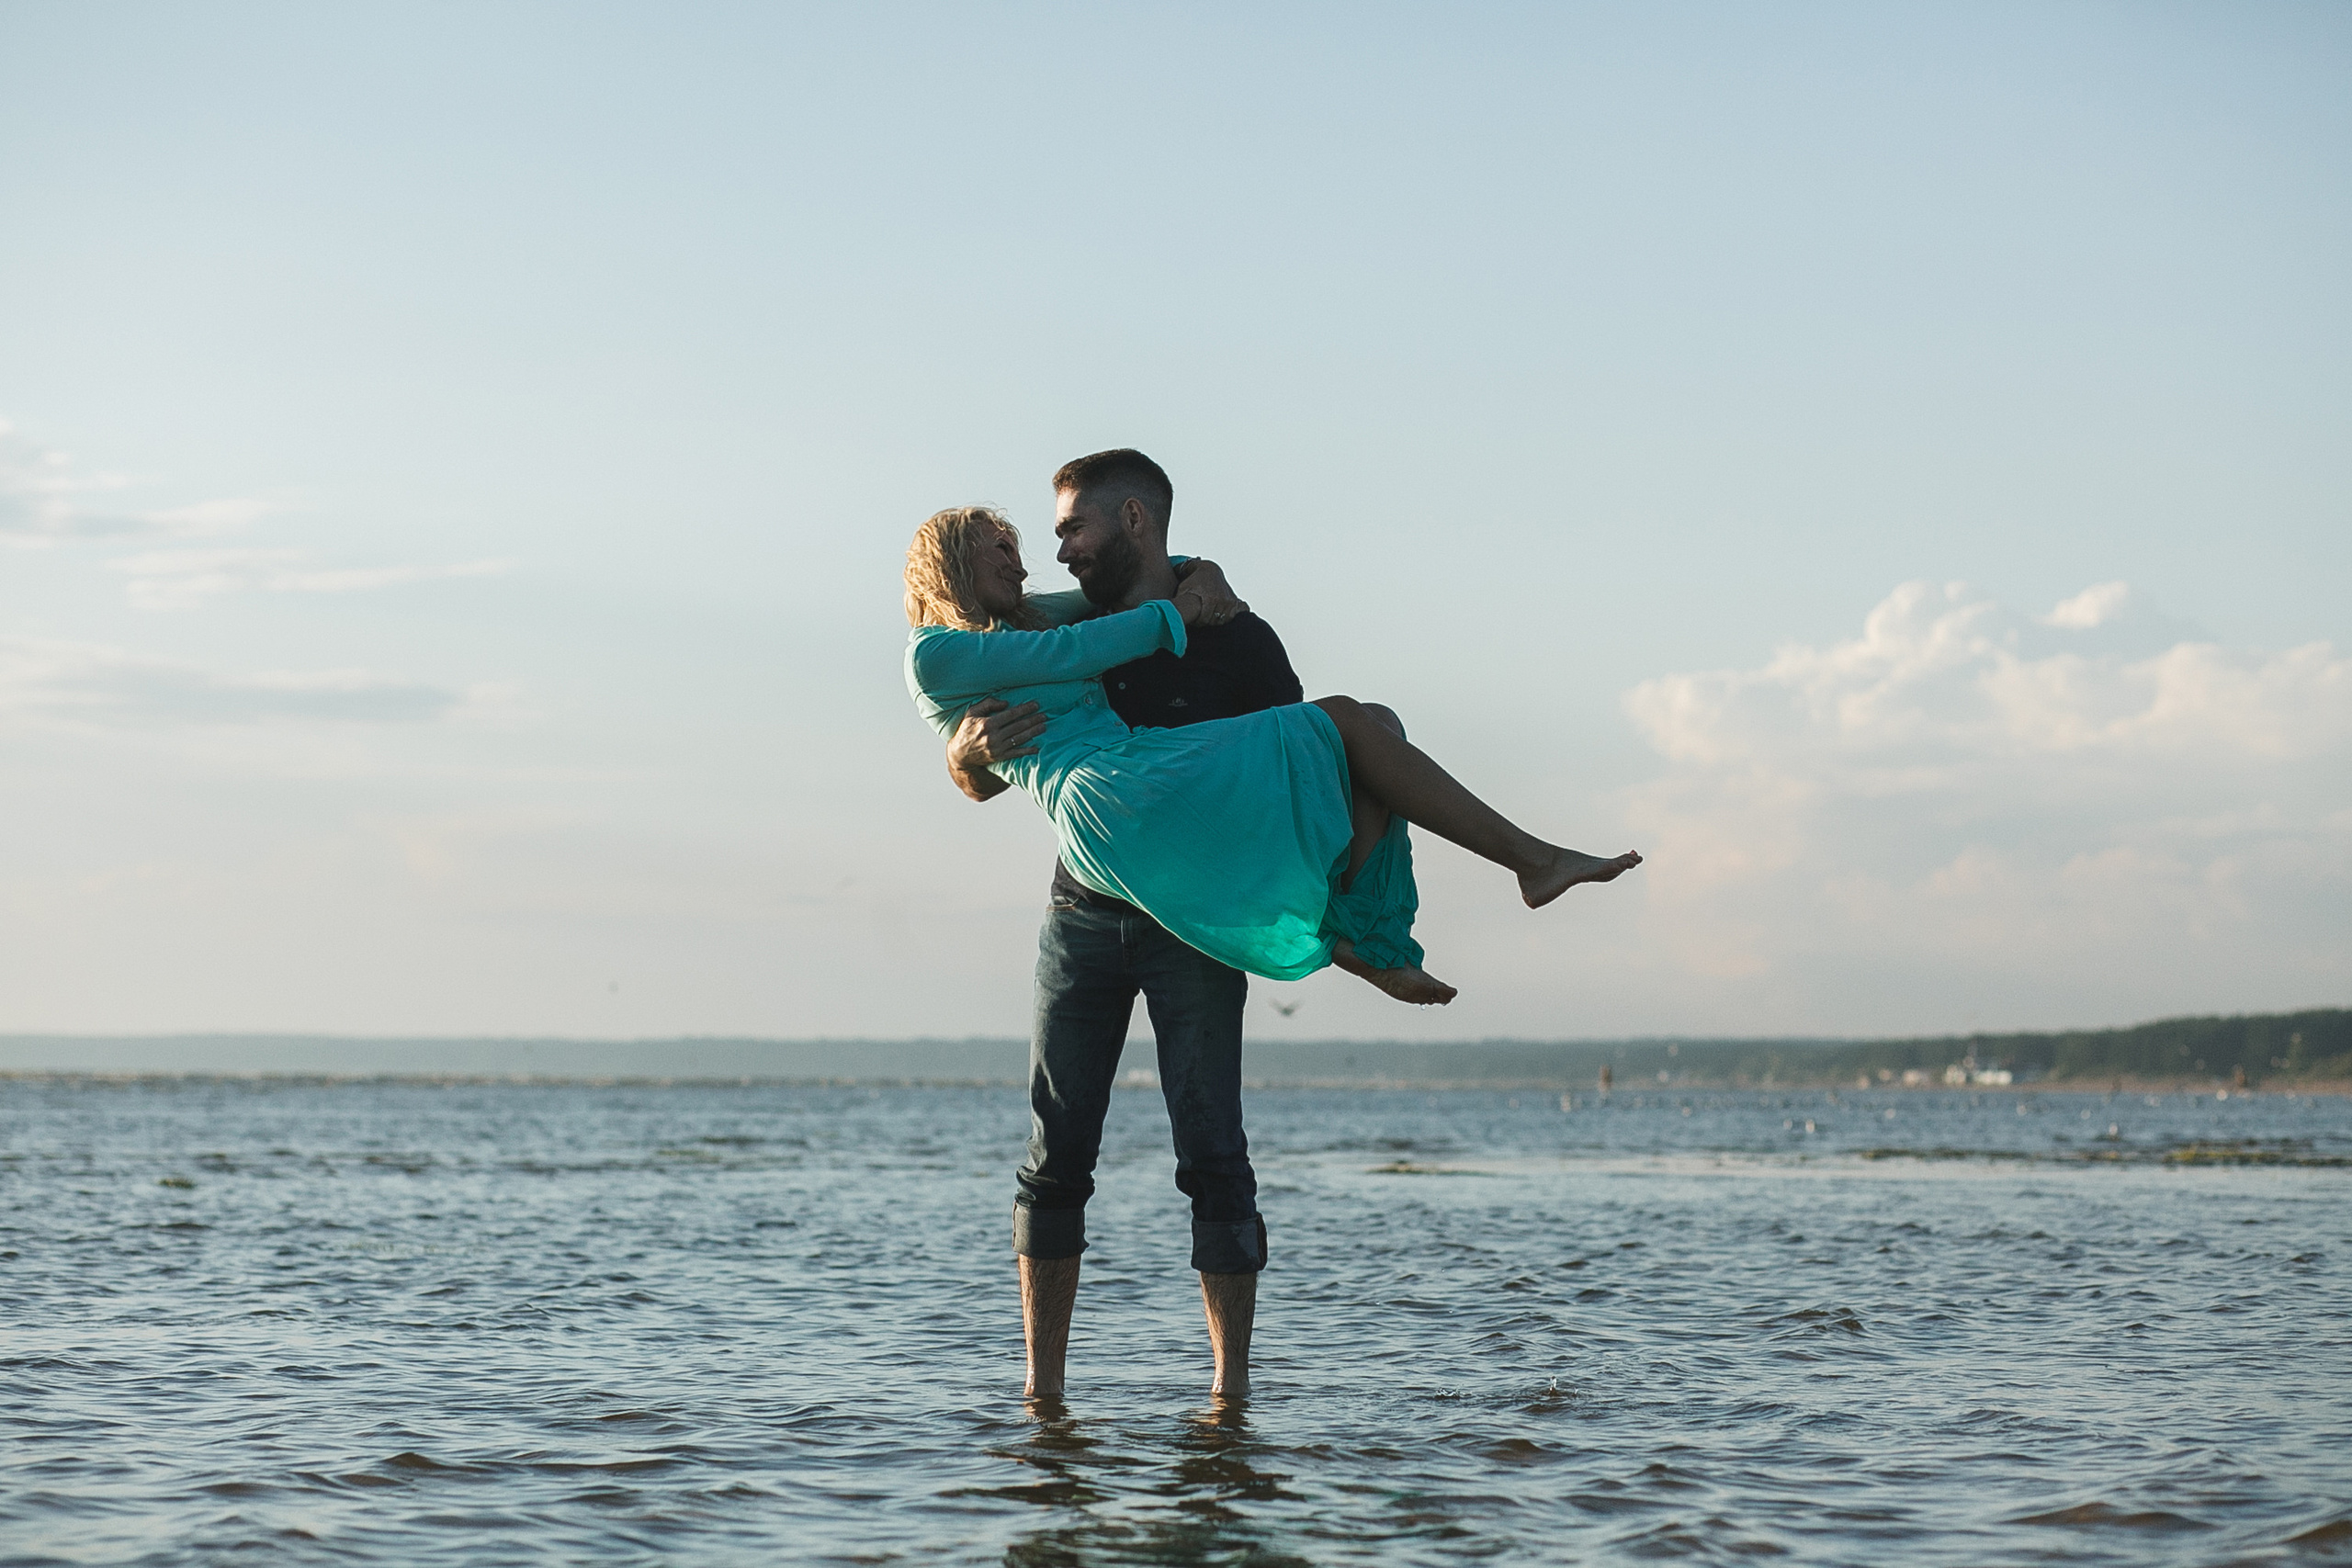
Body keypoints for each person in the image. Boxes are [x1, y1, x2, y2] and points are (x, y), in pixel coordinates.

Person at [907, 450, 1642, 1401]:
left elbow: (1307, 776)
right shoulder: (1045, 632)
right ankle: (1043, 1399)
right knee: (1058, 1153)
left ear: (1132, 520)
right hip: (1088, 902)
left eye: (1066, 533)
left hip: (1196, 915)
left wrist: (1200, 594)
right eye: (1019, 547)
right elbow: (1028, 680)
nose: (1050, 557)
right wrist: (964, 757)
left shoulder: (1224, 636)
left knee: (1214, 1151)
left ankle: (1229, 1399)